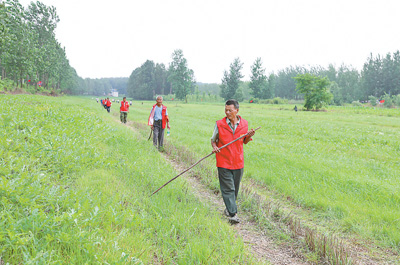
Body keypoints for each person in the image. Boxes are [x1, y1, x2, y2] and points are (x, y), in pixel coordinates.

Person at [211, 99, 255, 224]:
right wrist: (215, 147)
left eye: (230, 110)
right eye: (226, 110)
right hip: (223, 160)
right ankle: (233, 214)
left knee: (234, 188)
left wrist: (249, 136)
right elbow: (213, 140)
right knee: (228, 188)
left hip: (238, 162)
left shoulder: (244, 124)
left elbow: (244, 141)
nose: (227, 112)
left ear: (237, 110)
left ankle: (229, 208)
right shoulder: (219, 124)